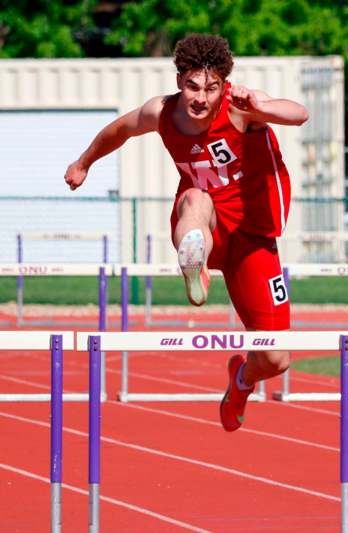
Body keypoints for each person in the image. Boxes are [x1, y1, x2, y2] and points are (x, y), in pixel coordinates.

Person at [64, 34, 308, 432]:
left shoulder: (240, 108)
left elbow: (299, 114)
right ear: (180, 80)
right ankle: (194, 264)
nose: (201, 99)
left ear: (223, 86)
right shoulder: (161, 113)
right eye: (193, 86)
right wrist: (83, 162)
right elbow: (118, 130)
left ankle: (241, 381)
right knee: (196, 197)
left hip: (252, 237)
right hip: (202, 220)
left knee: (276, 358)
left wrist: (261, 107)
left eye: (211, 89)